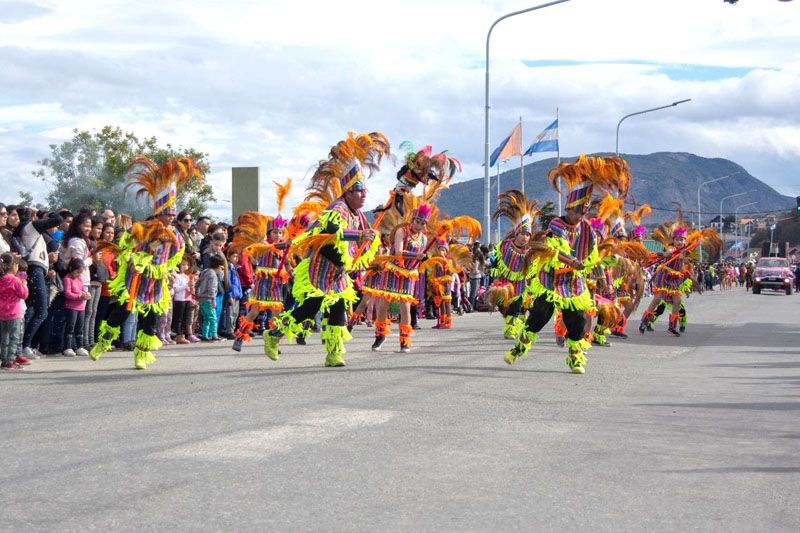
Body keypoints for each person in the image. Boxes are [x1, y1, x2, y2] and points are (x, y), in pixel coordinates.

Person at [263, 132, 390, 367]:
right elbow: (331, 231)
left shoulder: (359, 215)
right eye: (360, 192)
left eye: (365, 192)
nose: (364, 196)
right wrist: (359, 235)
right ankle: (273, 334)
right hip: (321, 268)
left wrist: (370, 239)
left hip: (338, 272)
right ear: (348, 192)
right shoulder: (338, 208)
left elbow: (360, 242)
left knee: (339, 310)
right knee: (310, 309)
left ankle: (333, 353)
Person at [504, 155, 630, 374]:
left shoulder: (588, 230)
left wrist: (602, 280)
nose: (580, 215)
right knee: (538, 318)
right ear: (569, 207)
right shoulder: (556, 224)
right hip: (552, 282)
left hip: (573, 284)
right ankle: (519, 347)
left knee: (577, 321)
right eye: (577, 211)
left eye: (584, 211)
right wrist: (571, 260)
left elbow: (594, 257)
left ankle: (575, 358)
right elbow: (554, 250)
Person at [90, 156, 203, 369]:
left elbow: (173, 259)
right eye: (166, 214)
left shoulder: (178, 237)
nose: (170, 218)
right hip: (136, 281)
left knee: (151, 320)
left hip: (156, 284)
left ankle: (141, 354)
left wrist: (169, 272)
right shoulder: (142, 229)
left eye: (172, 215)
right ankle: (102, 343)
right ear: (158, 213)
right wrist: (145, 252)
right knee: (120, 313)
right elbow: (126, 251)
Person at [9, 206, 63, 360]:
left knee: (31, 310)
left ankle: (23, 346)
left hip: (34, 270)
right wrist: (50, 214)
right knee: (42, 311)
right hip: (36, 270)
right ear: (32, 216)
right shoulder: (32, 225)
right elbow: (58, 219)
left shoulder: (22, 229)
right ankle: (25, 345)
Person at [484, 190, 539, 340]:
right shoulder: (504, 245)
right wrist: (495, 277)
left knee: (516, 305)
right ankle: (512, 321)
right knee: (504, 307)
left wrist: (532, 283)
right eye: (522, 234)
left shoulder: (529, 251)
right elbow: (494, 260)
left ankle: (511, 329)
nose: (525, 237)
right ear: (516, 234)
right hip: (504, 283)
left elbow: (533, 269)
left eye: (528, 235)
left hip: (520, 284)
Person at [0, 253, 30, 369]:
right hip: (14, 313)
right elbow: (24, 294)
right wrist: (25, 285)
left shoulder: (1, 279)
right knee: (14, 338)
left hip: (2, 313)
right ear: (13, 266)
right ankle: (10, 361)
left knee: (4, 337)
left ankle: (4, 360)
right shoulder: (15, 280)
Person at [62, 258, 92, 357]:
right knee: (70, 326)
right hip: (71, 307)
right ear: (71, 268)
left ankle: (80, 346)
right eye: (77, 272)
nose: (79, 274)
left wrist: (86, 294)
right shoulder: (67, 279)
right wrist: (79, 296)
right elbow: (68, 293)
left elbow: (83, 290)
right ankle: (67, 347)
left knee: (80, 327)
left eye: (80, 272)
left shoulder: (79, 279)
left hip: (81, 307)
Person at [197, 255, 225, 341]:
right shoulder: (213, 275)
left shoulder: (205, 272)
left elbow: (197, 283)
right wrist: (213, 300)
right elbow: (212, 288)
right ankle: (214, 335)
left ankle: (205, 334)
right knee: (213, 318)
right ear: (219, 266)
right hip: (208, 298)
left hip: (201, 298)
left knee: (206, 318)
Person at [171, 256, 194, 344]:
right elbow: (176, 289)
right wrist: (186, 285)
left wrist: (192, 287)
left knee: (185, 318)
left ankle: (183, 334)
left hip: (187, 299)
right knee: (178, 318)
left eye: (186, 265)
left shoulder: (186, 276)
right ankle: (179, 335)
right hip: (179, 299)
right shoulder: (177, 276)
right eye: (183, 265)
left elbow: (190, 289)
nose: (185, 266)